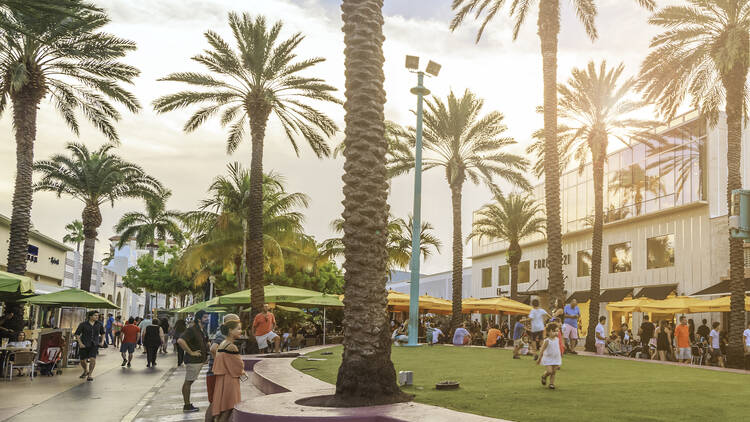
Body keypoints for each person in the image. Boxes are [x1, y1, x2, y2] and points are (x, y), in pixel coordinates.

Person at [206, 313, 240, 421]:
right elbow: (213, 348)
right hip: (215, 374)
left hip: (215, 373)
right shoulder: (222, 335)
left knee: (217, 404)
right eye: (236, 322)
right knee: (216, 404)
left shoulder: (223, 335)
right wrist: (222, 363)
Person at [212, 319, 246, 422]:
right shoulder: (231, 347)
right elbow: (239, 366)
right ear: (231, 330)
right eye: (238, 329)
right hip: (230, 380)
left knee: (222, 410)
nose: (241, 331)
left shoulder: (223, 343)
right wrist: (242, 370)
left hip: (222, 379)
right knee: (228, 408)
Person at [178, 310, 209, 413]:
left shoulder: (202, 330)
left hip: (199, 360)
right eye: (205, 317)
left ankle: (187, 405)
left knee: (189, 382)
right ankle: (187, 405)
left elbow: (205, 342)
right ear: (199, 318)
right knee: (188, 382)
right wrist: (191, 352)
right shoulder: (192, 329)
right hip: (193, 361)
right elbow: (180, 341)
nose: (207, 319)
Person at [74, 310, 105, 381]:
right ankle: (85, 370)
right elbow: (77, 334)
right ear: (90, 316)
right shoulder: (83, 324)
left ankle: (90, 374)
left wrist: (102, 342)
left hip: (94, 344)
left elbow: (103, 333)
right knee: (82, 360)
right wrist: (80, 343)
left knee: (92, 359)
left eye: (97, 315)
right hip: (84, 344)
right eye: (95, 315)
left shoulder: (99, 324)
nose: (97, 317)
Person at [537, 322, 562, 390]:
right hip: (548, 358)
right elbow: (542, 350)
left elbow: (557, 349)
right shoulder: (547, 340)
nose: (557, 333)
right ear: (549, 331)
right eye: (554, 331)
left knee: (554, 372)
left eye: (557, 331)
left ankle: (551, 384)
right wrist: (539, 358)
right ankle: (544, 376)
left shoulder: (557, 339)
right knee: (549, 371)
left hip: (556, 358)